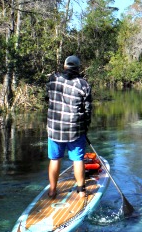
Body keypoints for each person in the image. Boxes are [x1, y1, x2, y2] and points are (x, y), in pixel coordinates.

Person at [46, 55, 92, 198]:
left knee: (55, 159)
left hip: (54, 129)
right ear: (78, 69)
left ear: (65, 66)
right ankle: (81, 191)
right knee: (78, 159)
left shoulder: (53, 79)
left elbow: (47, 97)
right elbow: (88, 110)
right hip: (75, 129)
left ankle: (53, 190)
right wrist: (85, 127)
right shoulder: (83, 84)